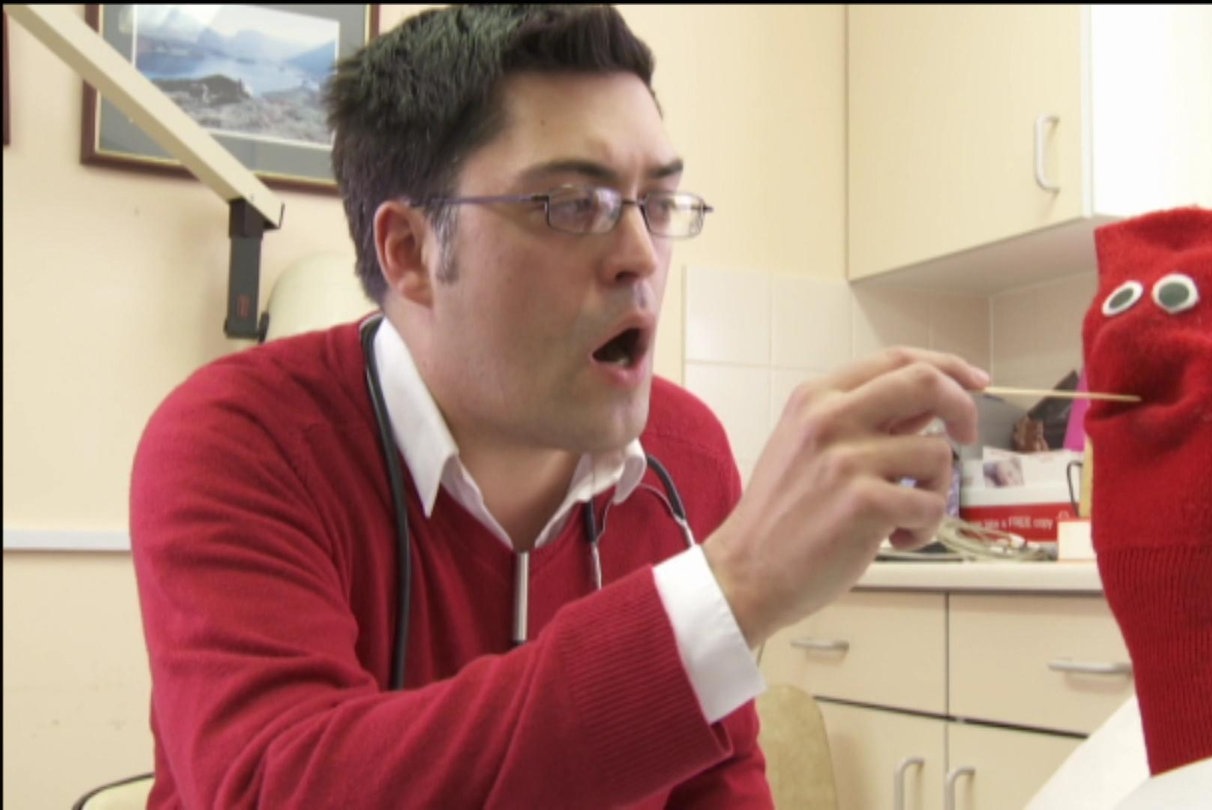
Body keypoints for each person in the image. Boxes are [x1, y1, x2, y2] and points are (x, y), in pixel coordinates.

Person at [129, 5, 990, 808]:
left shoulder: (687, 456)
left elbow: (718, 782)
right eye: (575, 205)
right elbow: (277, 787)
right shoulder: (240, 442)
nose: (640, 255)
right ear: (410, 252)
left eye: (657, 203)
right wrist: (732, 588)